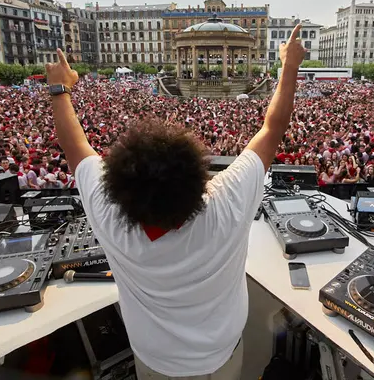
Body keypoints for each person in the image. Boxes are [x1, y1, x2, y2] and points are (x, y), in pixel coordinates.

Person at [46, 25, 306, 379]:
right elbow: (272, 128)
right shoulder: (226, 201)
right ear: (199, 176)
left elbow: (74, 147)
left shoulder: (107, 211)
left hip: (154, 358)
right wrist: (289, 67)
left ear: (118, 184)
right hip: (220, 354)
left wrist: (60, 90)